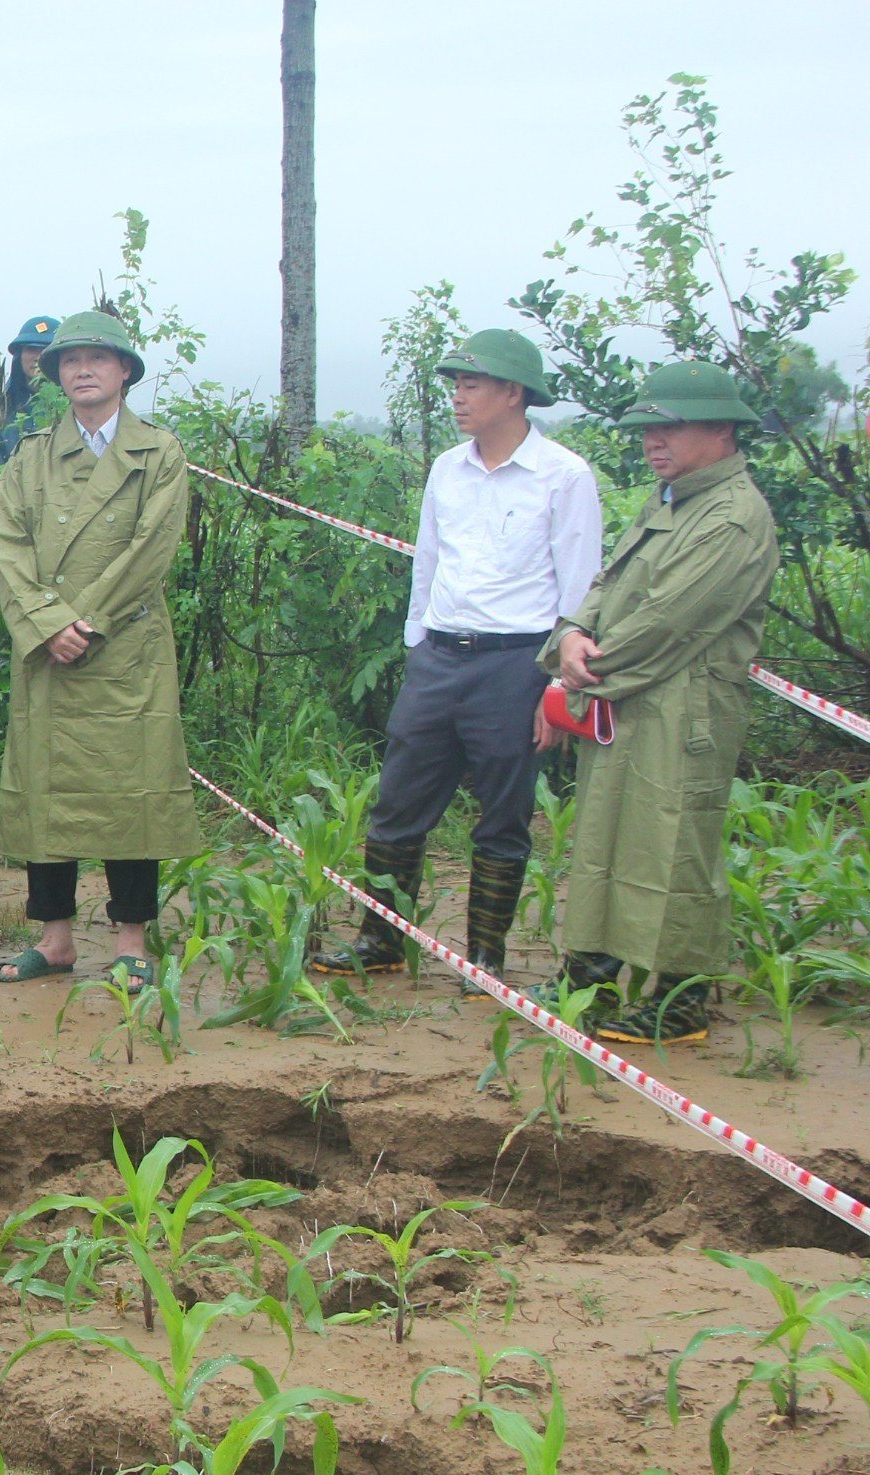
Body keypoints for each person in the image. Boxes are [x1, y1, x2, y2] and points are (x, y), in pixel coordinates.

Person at [312, 330, 599, 989]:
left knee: (502, 812)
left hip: (515, 664)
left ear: (513, 393)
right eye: (456, 385)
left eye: (472, 385)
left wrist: (555, 687)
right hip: (441, 655)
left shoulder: (564, 476)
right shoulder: (448, 468)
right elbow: (429, 565)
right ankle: (380, 937)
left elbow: (581, 591)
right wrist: (419, 646)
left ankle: (486, 959)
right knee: (397, 802)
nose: (459, 397)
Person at [540, 360, 779, 1045]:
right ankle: (588, 975)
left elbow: (670, 621)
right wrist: (573, 633)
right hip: (630, 702)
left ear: (722, 429)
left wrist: (583, 667)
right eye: (649, 426)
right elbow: (611, 583)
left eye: (670, 426)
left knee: (673, 847)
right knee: (607, 838)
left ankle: (679, 1001)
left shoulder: (733, 518)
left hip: (684, 711)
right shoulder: (670, 497)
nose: (654, 440)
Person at [0, 310, 201, 993]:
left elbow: (153, 546)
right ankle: (53, 938)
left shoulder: (159, 452)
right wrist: (50, 624)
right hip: (49, 649)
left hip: (125, 647)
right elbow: (8, 545)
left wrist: (90, 620)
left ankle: (132, 938)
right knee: (46, 789)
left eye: (97, 359)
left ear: (125, 372)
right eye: (68, 361)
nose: (81, 370)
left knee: (131, 794)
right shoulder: (29, 456)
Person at [0, 314, 62, 472]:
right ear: (19, 356)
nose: (38, 357)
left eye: (46, 350)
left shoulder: (74, 408)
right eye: (31, 349)